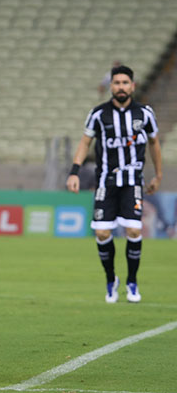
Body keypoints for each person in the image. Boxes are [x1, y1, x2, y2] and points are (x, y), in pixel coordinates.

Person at [67, 64, 163, 304]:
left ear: (133, 86)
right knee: (101, 233)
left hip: (132, 181)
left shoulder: (145, 114)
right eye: (117, 83)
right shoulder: (99, 114)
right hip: (105, 181)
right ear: (111, 86)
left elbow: (154, 143)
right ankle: (111, 280)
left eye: (125, 83)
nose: (121, 87)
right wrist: (74, 172)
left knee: (133, 230)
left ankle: (132, 281)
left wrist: (158, 175)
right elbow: (85, 142)